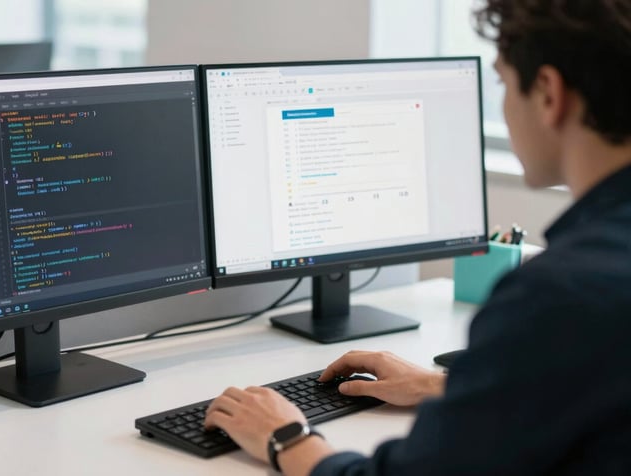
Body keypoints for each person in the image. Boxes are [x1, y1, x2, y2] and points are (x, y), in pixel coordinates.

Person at [203, 1, 631, 474]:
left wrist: (285, 437)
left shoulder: (559, 295)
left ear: (550, 94)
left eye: (503, 85)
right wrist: (443, 386)